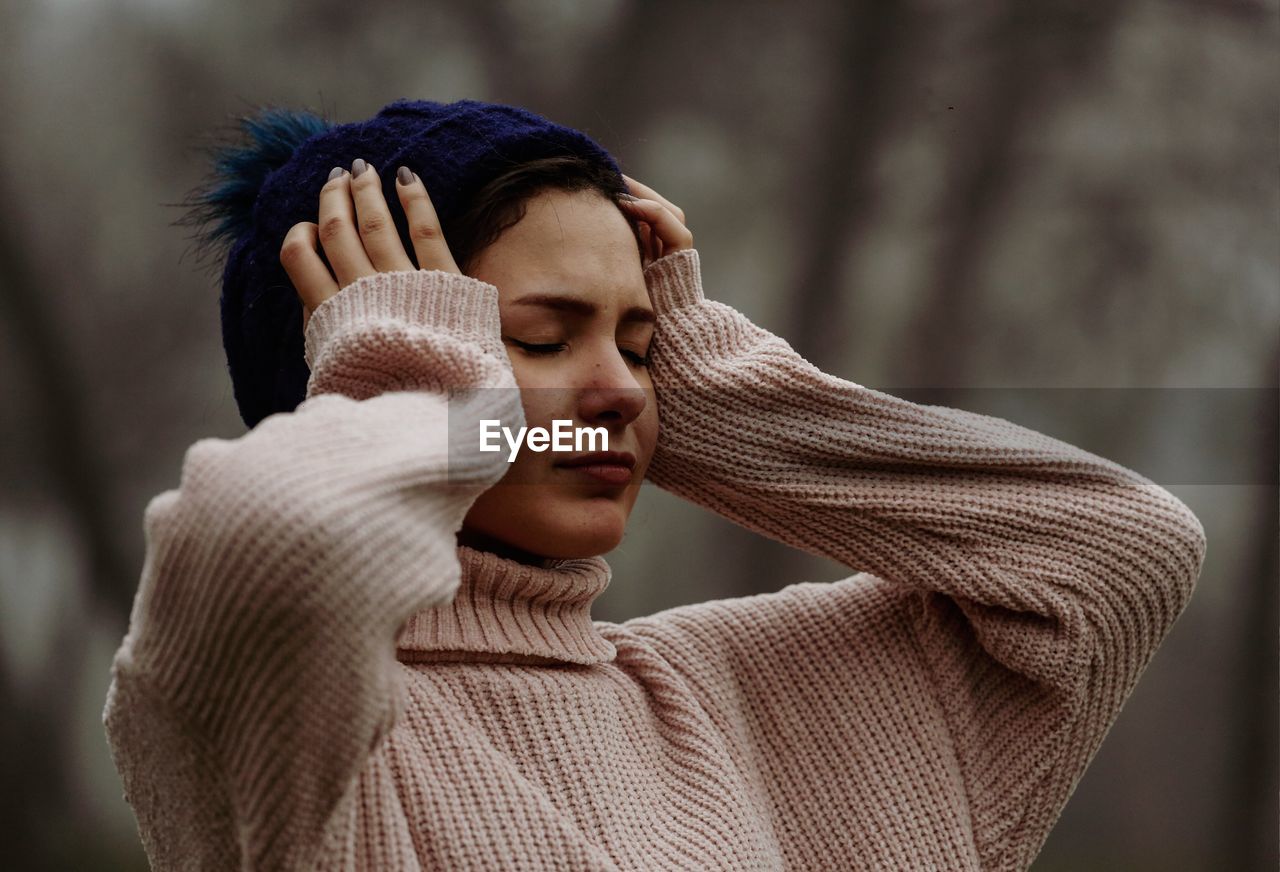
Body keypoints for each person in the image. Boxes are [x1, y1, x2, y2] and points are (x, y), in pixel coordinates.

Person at [103, 98, 1207, 871]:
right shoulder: (277, 726)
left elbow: (1110, 554)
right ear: (359, 357)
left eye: (640, 343)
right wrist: (430, 382)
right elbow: (272, 539)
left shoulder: (722, 694)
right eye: (537, 336)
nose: (621, 390)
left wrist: (714, 394)